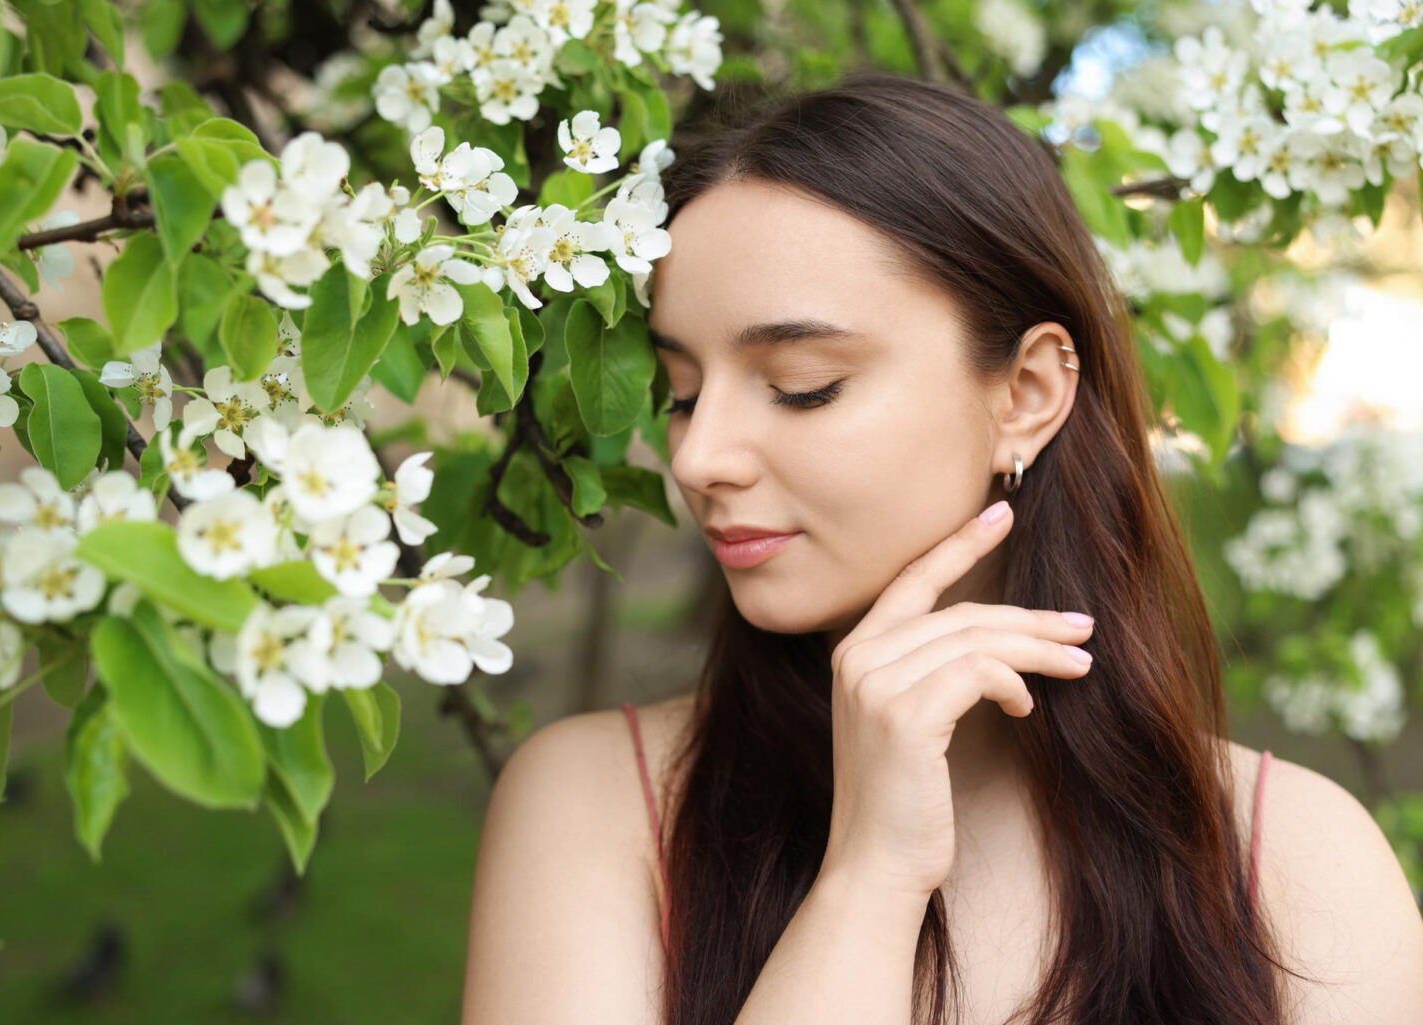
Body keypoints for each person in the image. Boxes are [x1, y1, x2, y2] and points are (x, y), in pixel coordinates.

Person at [460, 70, 1423, 1024]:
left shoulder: (1293, 861)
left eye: (802, 383)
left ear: (1029, 393)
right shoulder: (598, 810)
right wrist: (868, 879)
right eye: (679, 391)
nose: (699, 455)